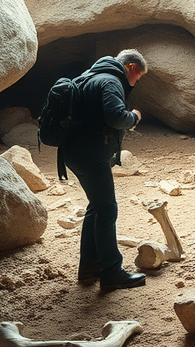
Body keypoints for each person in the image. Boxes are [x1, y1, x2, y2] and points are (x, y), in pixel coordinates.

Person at [63, 49, 148, 290]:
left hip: (75, 152)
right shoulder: (111, 80)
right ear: (132, 68)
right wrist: (134, 116)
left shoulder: (89, 76)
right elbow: (115, 116)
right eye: (137, 78)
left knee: (97, 207)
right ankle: (111, 271)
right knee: (107, 209)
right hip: (90, 154)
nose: (135, 83)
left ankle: (89, 267)